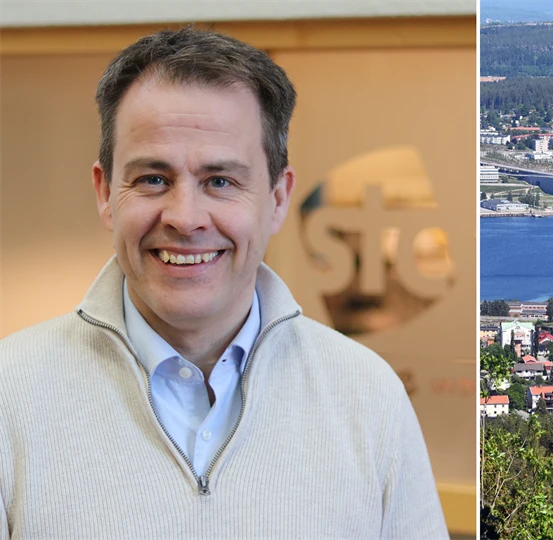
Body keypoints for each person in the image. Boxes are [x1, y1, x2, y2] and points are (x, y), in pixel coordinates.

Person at [0, 28, 448, 539]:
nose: (186, 218)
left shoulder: (369, 397)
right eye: (153, 179)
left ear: (278, 198)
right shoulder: (9, 396)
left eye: (220, 181)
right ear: (106, 193)